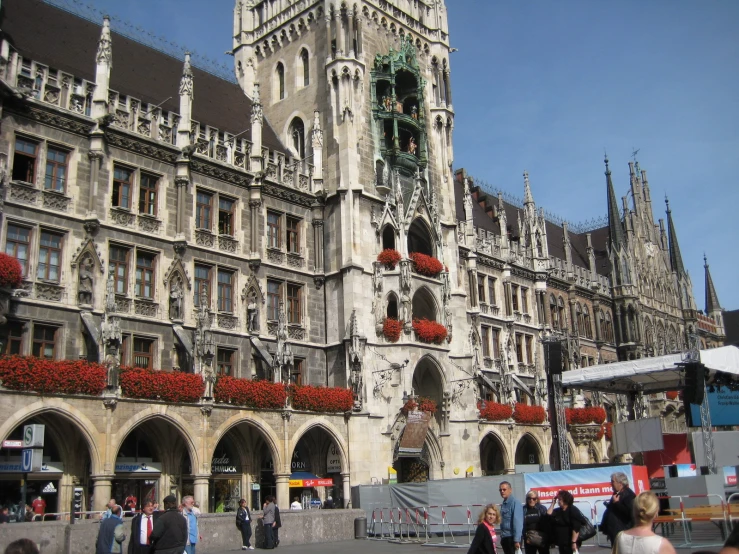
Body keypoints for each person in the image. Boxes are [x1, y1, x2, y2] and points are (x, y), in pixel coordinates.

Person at [602, 471, 636, 545]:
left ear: (620, 483)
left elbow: (629, 513)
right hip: (615, 532)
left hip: (623, 532)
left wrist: (617, 503)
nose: (611, 484)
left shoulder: (629, 495)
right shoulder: (617, 494)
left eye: (613, 482)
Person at [498, 481, 523, 554]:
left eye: (504, 489)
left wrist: (517, 540)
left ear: (510, 490)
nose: (502, 491)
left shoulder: (515, 503)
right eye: (500, 490)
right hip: (505, 537)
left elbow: (518, 522)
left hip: (511, 538)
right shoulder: (504, 503)